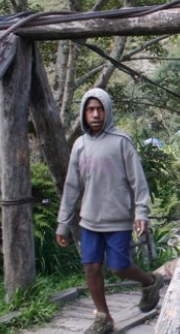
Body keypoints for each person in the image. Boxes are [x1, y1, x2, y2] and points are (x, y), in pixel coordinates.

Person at [56, 88, 163, 334]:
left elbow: (138, 181)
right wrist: (63, 223)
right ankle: (103, 317)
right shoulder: (80, 145)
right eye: (90, 109)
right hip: (89, 220)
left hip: (118, 219)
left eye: (99, 109)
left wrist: (141, 213)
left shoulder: (121, 141)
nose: (95, 114)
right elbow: (72, 187)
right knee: (91, 268)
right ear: (84, 113)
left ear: (107, 111)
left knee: (119, 267)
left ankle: (150, 281)